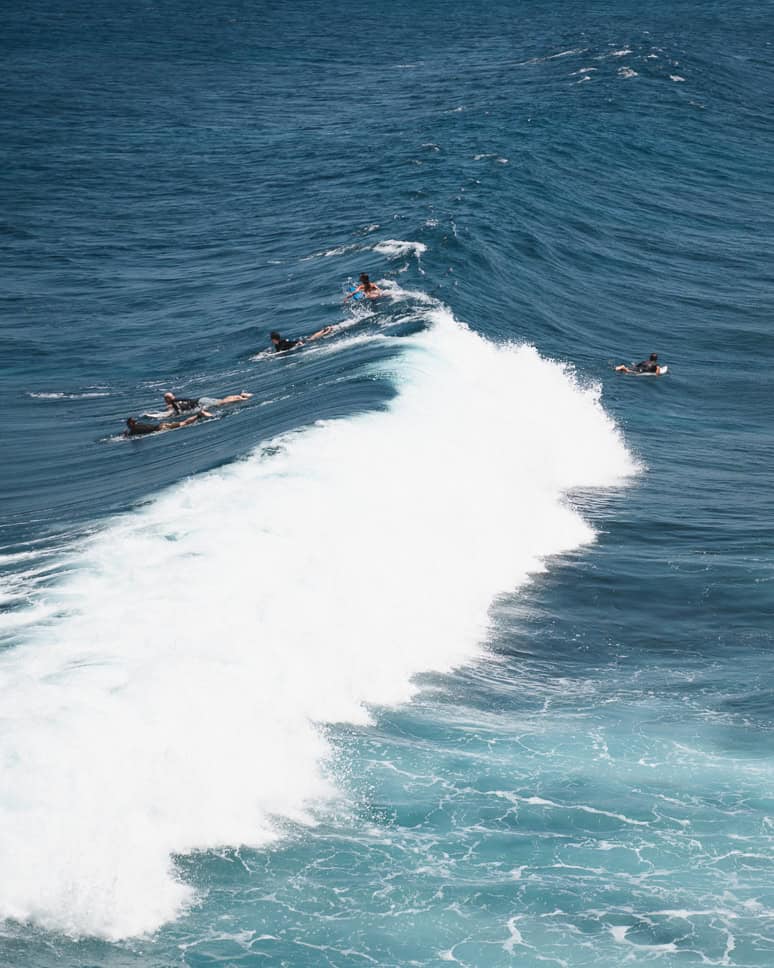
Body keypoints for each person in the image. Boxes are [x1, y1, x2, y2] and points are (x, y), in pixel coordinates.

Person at [162, 390, 252, 415]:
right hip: (201, 400)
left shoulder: (173, 404)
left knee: (222, 402)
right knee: (222, 401)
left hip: (201, 403)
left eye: (165, 398)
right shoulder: (176, 400)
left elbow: (170, 413)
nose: (165, 400)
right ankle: (241, 395)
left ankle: (242, 398)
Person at [124, 411, 211, 437]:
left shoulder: (134, 429)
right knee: (183, 423)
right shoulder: (138, 426)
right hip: (162, 425)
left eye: (129, 424)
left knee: (184, 423)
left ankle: (199, 415)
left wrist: (125, 435)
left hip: (161, 428)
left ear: (130, 424)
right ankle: (198, 416)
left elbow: (130, 435)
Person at [269, 325, 334, 352]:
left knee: (313, 338)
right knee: (312, 337)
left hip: (301, 343)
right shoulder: (277, 345)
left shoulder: (282, 343)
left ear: (274, 339)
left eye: (272, 339)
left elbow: (280, 351)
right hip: (300, 342)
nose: (271, 341)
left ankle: (327, 331)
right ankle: (323, 330)